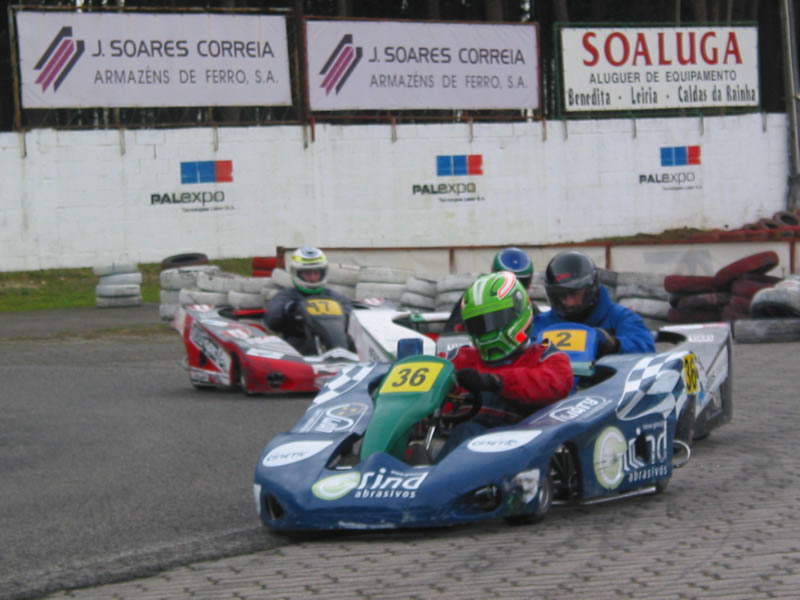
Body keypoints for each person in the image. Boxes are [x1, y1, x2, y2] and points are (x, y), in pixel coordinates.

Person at [436, 271, 574, 460]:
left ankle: (431, 483)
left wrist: (495, 382)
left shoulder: (546, 357)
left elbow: (552, 385)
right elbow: (434, 372)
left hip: (518, 443)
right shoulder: (463, 357)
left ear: (518, 314)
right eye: (479, 324)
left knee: (466, 432)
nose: (486, 330)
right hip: (460, 439)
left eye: (493, 321)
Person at [535, 250, 655, 356]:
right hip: (555, 380)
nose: (569, 303)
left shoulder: (620, 317)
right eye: (561, 296)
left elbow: (646, 347)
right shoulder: (540, 323)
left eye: (574, 294)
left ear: (591, 289)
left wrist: (614, 344)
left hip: (605, 380)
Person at [265, 247, 353, 354]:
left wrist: (342, 314)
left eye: (316, 273)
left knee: (352, 343)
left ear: (323, 273)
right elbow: (271, 320)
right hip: (300, 341)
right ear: (295, 273)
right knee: (292, 344)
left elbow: (351, 315)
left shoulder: (334, 296)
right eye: (307, 274)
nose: (312, 278)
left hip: (335, 342)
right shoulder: (287, 295)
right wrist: (289, 309)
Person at [443, 246, 538, 333]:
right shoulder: (474, 301)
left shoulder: (531, 310)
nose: (512, 289)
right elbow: (451, 335)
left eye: (519, 282)